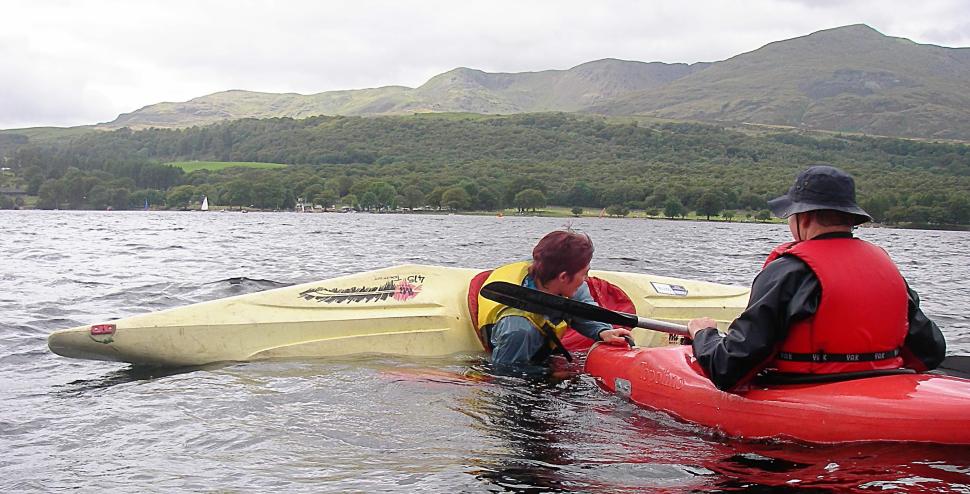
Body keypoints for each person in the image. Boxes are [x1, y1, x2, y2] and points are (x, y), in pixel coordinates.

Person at [687, 164, 947, 391]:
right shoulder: (885, 267)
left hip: (807, 391)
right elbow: (930, 352)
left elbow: (729, 368)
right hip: (883, 387)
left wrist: (704, 335)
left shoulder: (789, 270)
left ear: (805, 216)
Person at [476, 230, 632, 365]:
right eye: (584, 273)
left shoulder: (561, 280)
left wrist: (603, 331)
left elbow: (583, 308)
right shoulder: (518, 330)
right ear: (563, 277)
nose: (586, 279)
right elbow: (508, 379)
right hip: (515, 351)